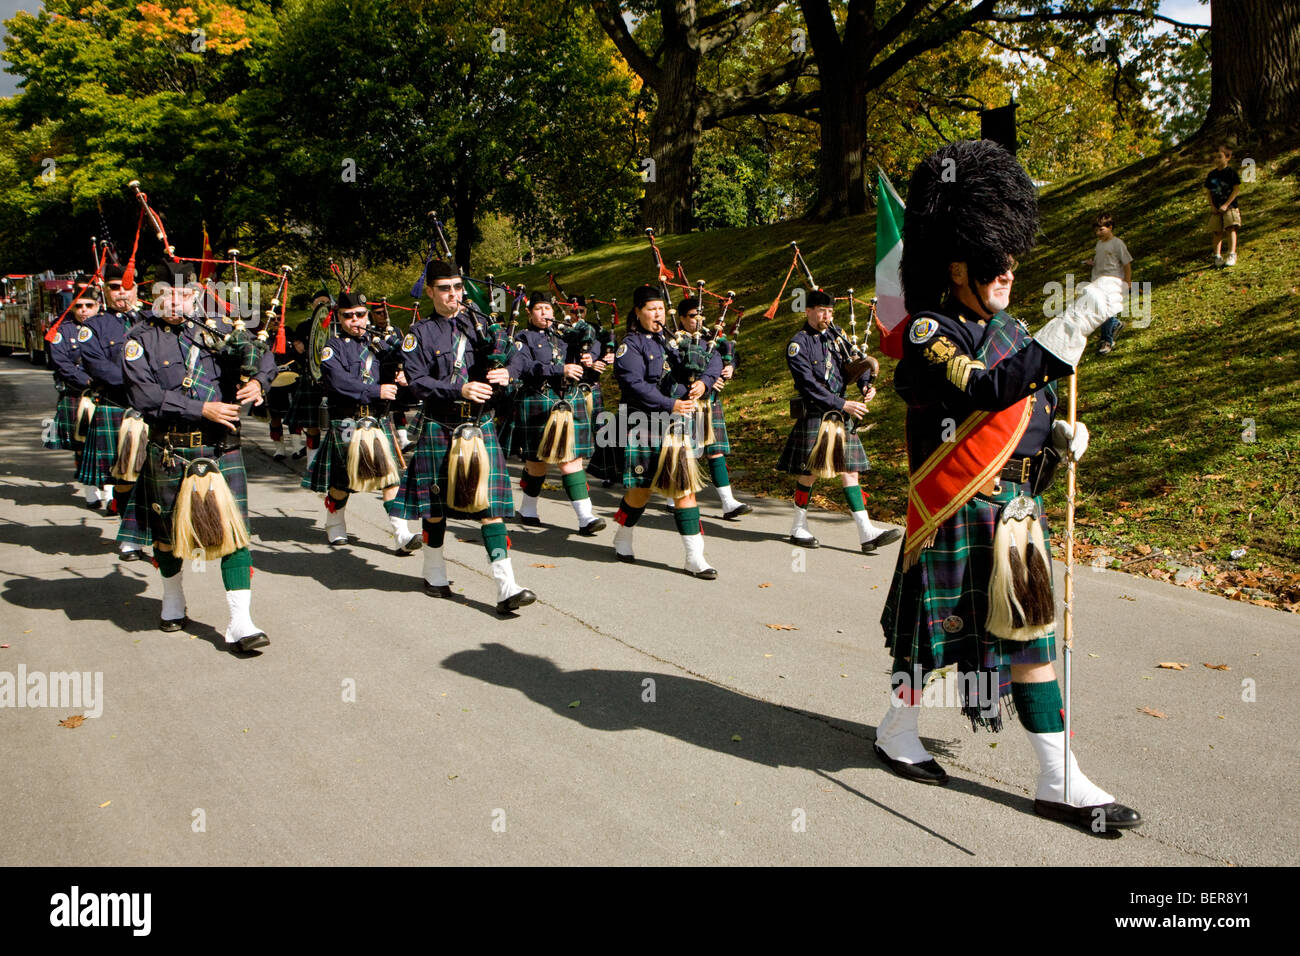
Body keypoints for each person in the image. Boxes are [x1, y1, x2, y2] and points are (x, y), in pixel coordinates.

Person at [875, 139, 1141, 830]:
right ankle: (899, 730)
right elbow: (990, 390)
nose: (1006, 275)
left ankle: (1057, 778)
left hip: (1018, 512)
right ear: (956, 265)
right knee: (936, 639)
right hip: (962, 506)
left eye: (1011, 263)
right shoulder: (931, 331)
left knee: (1028, 642)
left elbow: (1028, 411)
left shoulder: (1014, 328)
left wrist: (1056, 441)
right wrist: (1077, 320)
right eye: (993, 263)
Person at [119, 260, 276, 651]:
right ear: (154, 296)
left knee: (234, 535)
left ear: (196, 294)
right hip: (170, 450)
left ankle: (241, 623)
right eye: (168, 293)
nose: (177, 301)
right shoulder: (140, 339)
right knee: (168, 535)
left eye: (185, 293)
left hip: (221, 448)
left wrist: (259, 381)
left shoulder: (220, 330)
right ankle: (173, 598)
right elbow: (143, 396)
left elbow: (263, 353)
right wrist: (201, 409)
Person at [391, 260, 536, 614]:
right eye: (444, 288)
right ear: (430, 292)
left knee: (491, 507)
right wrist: (460, 388)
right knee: (435, 507)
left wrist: (508, 371)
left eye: (457, 287)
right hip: (441, 425)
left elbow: (519, 354)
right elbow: (417, 381)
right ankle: (434, 571)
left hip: (481, 425)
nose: (453, 295)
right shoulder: (420, 334)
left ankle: (506, 585)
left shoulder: (481, 323)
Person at [778, 289, 899, 553]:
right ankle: (798, 526)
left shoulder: (837, 335)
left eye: (830, 311)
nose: (826, 316)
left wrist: (866, 385)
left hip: (840, 414)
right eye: (821, 311)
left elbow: (855, 363)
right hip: (816, 413)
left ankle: (866, 532)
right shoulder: (798, 344)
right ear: (808, 310)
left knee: (850, 471)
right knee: (809, 473)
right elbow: (807, 385)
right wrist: (842, 403)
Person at [610, 284, 718, 579]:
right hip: (644, 423)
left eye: (660, 308)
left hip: (676, 423)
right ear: (638, 313)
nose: (657, 314)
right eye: (651, 309)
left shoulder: (675, 340)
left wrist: (704, 382)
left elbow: (712, 355)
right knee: (640, 491)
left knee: (684, 488)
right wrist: (670, 404)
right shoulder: (630, 345)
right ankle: (622, 533)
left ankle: (695, 557)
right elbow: (634, 385)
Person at [302, 290, 419, 553]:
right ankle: (334, 523)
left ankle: (401, 533)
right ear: (339, 318)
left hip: (377, 419)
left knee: (390, 477)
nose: (356, 320)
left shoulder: (382, 343)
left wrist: (403, 374)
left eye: (360, 314)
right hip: (347, 420)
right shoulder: (332, 348)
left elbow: (399, 364)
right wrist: (376, 391)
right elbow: (337, 383)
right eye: (349, 316)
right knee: (343, 481)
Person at [506, 291, 605, 535]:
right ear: (529, 313)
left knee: (571, 459)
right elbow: (525, 366)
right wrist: (560, 369)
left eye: (548, 309)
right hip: (539, 400)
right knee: (536, 464)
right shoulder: (523, 338)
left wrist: (590, 355)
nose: (544, 313)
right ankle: (528, 508)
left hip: (569, 399)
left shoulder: (566, 334)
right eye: (539, 309)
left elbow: (596, 340)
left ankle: (586, 517)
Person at [75, 264, 147, 559]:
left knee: (156, 473)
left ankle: (156, 529)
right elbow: (97, 366)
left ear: (137, 289)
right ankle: (130, 538)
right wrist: (141, 379)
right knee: (125, 476)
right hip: (118, 407)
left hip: (155, 408)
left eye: (127, 286)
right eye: (115, 287)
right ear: (105, 291)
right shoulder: (93, 327)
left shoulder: (152, 321)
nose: (122, 292)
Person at [673, 297, 751, 520]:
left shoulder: (711, 337)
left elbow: (731, 355)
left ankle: (728, 502)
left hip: (709, 402)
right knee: (684, 452)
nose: (698, 320)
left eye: (700, 315)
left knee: (715, 450)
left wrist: (730, 367)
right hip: (685, 401)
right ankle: (674, 495)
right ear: (681, 318)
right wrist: (706, 380)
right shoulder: (674, 341)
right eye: (692, 316)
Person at [45, 277, 97, 505]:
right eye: (79, 305)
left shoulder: (108, 326)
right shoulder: (61, 329)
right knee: (83, 444)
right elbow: (62, 363)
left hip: (107, 394)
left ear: (97, 306)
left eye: (89, 305)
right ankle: (91, 490)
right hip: (78, 393)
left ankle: (110, 491)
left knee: (109, 444)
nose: (84, 310)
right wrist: (88, 381)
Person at [1086, 212, 1133, 356]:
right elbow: (1102, 260)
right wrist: (1092, 263)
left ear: (1110, 227)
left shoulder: (1117, 243)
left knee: (1106, 311)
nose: (1098, 233)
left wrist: (1128, 281)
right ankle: (1115, 324)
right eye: (1096, 230)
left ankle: (1107, 341)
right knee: (1100, 310)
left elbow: (1127, 263)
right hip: (1098, 281)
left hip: (1113, 282)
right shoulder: (1099, 244)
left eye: (1101, 229)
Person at [1205, 144, 1242, 267]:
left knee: (1230, 228)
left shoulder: (1231, 173)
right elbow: (1209, 192)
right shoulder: (1211, 175)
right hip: (1216, 208)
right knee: (1216, 231)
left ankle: (1231, 254)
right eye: (1215, 157)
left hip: (1230, 207)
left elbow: (1236, 190)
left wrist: (1227, 205)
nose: (1217, 160)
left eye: (1220, 157)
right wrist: (1212, 206)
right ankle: (1217, 256)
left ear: (1228, 158)